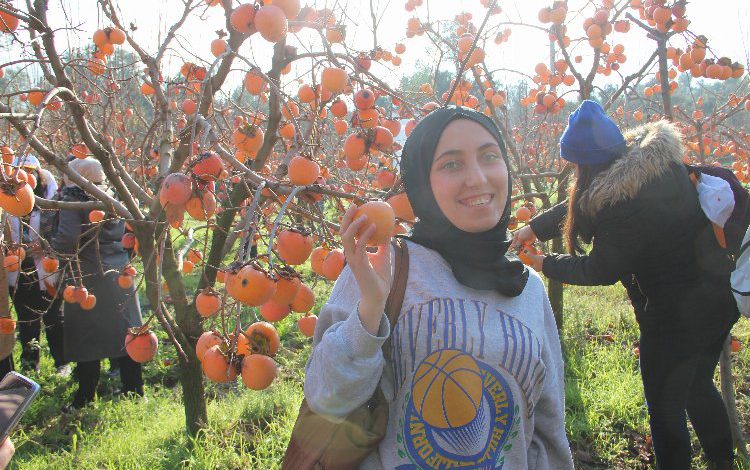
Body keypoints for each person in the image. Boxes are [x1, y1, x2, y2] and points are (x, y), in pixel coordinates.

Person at [304, 106, 574, 469]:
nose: (477, 178)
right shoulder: (383, 268)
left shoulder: (529, 290)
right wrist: (369, 309)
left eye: (489, 157)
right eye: (451, 164)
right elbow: (326, 399)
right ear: (421, 182)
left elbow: (547, 431)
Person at [512, 100, 739, 470]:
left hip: (675, 317)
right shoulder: (648, 164)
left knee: (666, 409)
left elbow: (601, 269)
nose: (574, 171)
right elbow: (578, 203)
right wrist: (532, 227)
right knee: (698, 384)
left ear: (584, 161)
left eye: (575, 164)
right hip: (716, 300)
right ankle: (722, 462)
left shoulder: (624, 203)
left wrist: (543, 263)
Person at [51, 157, 144, 410]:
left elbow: (68, 238)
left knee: (86, 338)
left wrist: (50, 248)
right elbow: (130, 231)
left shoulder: (74, 198)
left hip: (88, 272)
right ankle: (134, 390)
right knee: (126, 332)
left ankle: (85, 397)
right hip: (120, 271)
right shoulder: (114, 194)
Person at [3, 154, 67, 376]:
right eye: (23, 172)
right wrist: (12, 245)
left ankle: (62, 362)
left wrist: (45, 247)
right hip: (20, 270)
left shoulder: (50, 202)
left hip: (46, 268)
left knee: (53, 317)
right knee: (26, 318)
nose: (27, 176)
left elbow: (60, 234)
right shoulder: (10, 202)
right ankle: (31, 365)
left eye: (31, 171)